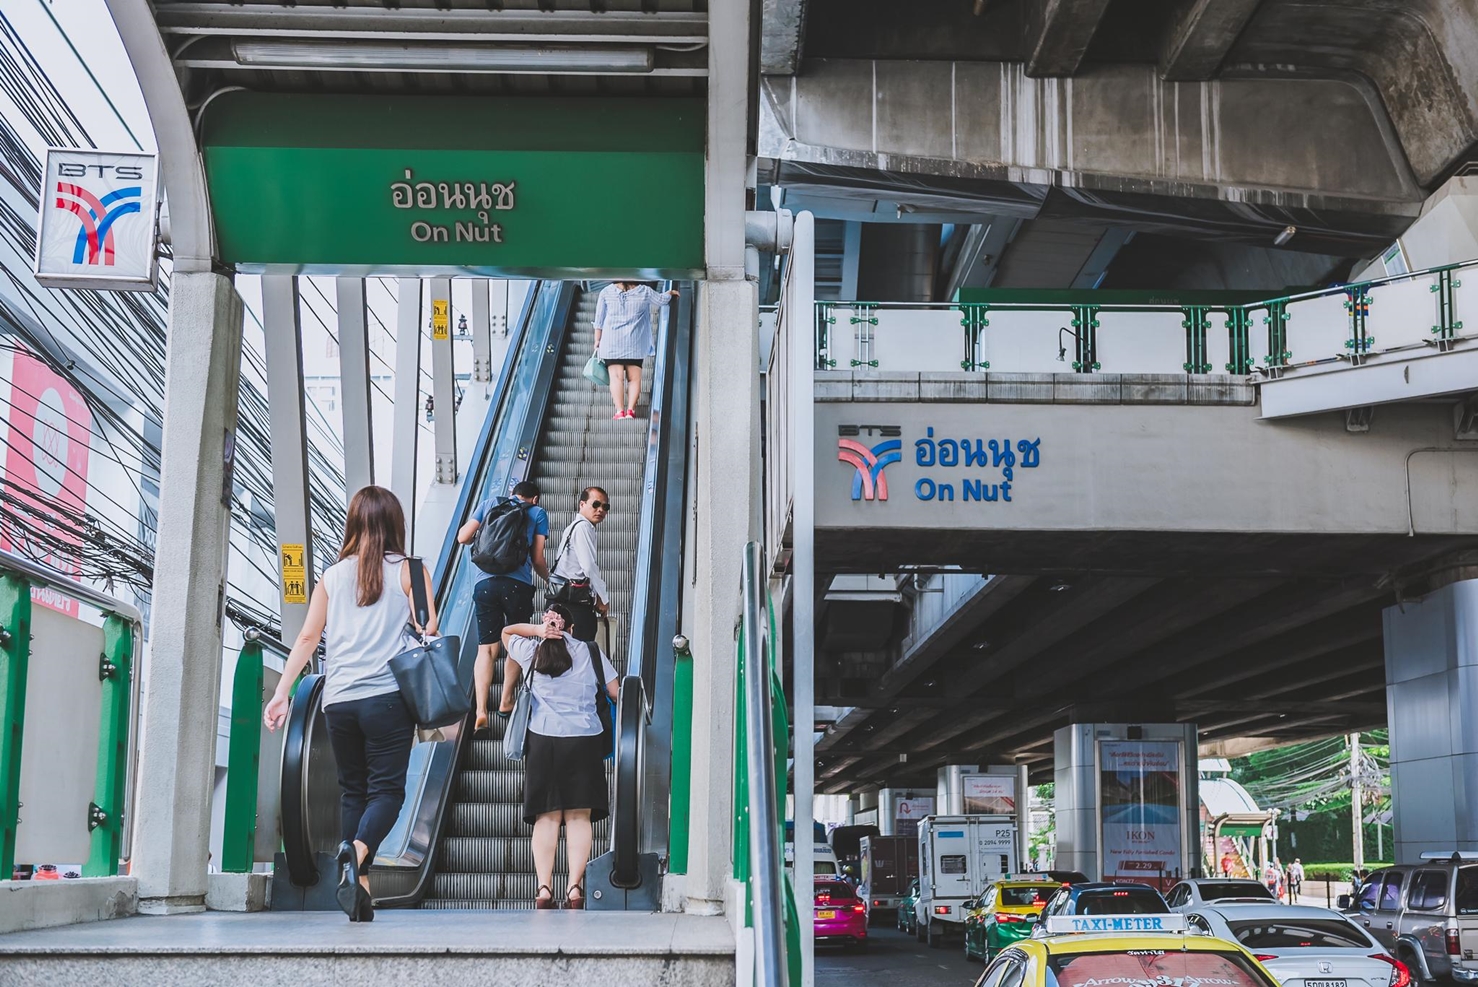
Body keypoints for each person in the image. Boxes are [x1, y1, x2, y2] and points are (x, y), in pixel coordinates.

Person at [265, 485, 436, 923]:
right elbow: (429, 625)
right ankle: (357, 852)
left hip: (338, 701)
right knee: (387, 793)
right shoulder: (410, 570)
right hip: (386, 699)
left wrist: (283, 692)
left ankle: (360, 893)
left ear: (354, 523)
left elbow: (307, 637)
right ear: (396, 523)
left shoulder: (332, 575)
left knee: (353, 792)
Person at [499, 603, 618, 909]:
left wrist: (538, 632)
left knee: (547, 817)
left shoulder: (531, 652)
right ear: (572, 628)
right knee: (579, 816)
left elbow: (506, 632)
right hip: (584, 740)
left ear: (547, 624)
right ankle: (575, 889)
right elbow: (616, 691)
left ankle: (543, 890)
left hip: (543, 740)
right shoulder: (590, 652)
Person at [457, 480, 549, 732]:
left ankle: (480, 710)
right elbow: (538, 558)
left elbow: (462, 537)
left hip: (484, 585)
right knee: (515, 643)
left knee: (486, 649)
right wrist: (551, 581)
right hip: (517, 586)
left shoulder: (489, 504)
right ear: (535, 498)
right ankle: (507, 701)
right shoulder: (537, 513)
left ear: (512, 494)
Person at [593, 281, 679, 420]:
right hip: (634, 343)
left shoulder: (606, 292)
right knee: (634, 379)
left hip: (611, 343)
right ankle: (631, 411)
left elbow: (599, 320)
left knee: (616, 378)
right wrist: (670, 293)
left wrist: (597, 340)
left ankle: (620, 411)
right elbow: (661, 300)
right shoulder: (644, 291)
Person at [549, 486, 609, 641]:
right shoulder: (583, 527)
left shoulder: (575, 527)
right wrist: (602, 597)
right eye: (595, 504)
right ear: (582, 504)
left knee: (559, 652)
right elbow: (588, 567)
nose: (600, 510)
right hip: (573, 602)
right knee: (580, 651)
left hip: (561, 599)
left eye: (605, 506)